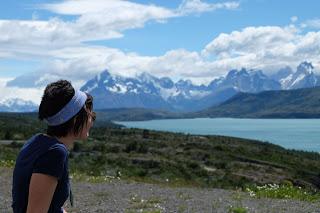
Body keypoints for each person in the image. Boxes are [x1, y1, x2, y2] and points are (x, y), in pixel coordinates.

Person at [11, 80, 96, 213]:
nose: (92, 119)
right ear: (75, 119)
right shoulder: (54, 153)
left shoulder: (37, 141)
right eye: (90, 114)